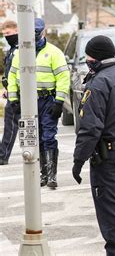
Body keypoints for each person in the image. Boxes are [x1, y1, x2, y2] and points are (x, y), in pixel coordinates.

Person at [71, 35, 115, 256]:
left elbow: (90, 127)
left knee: (110, 210)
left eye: (88, 56)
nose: (87, 59)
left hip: (108, 155)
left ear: (96, 57)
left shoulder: (99, 83)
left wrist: (78, 159)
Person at [7, 18, 70, 188]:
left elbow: (63, 78)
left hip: (47, 100)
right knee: (33, 138)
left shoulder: (54, 52)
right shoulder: (20, 53)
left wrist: (59, 101)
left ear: (43, 32)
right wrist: (13, 99)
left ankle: (51, 175)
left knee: (48, 136)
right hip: (27, 101)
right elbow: (12, 77)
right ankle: (42, 174)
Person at [0, 20, 20, 165]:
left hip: (18, 92)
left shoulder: (20, 49)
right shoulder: (12, 49)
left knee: (11, 123)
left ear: (17, 30)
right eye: (4, 34)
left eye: (8, 33)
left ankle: (3, 155)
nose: (6, 36)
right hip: (11, 90)